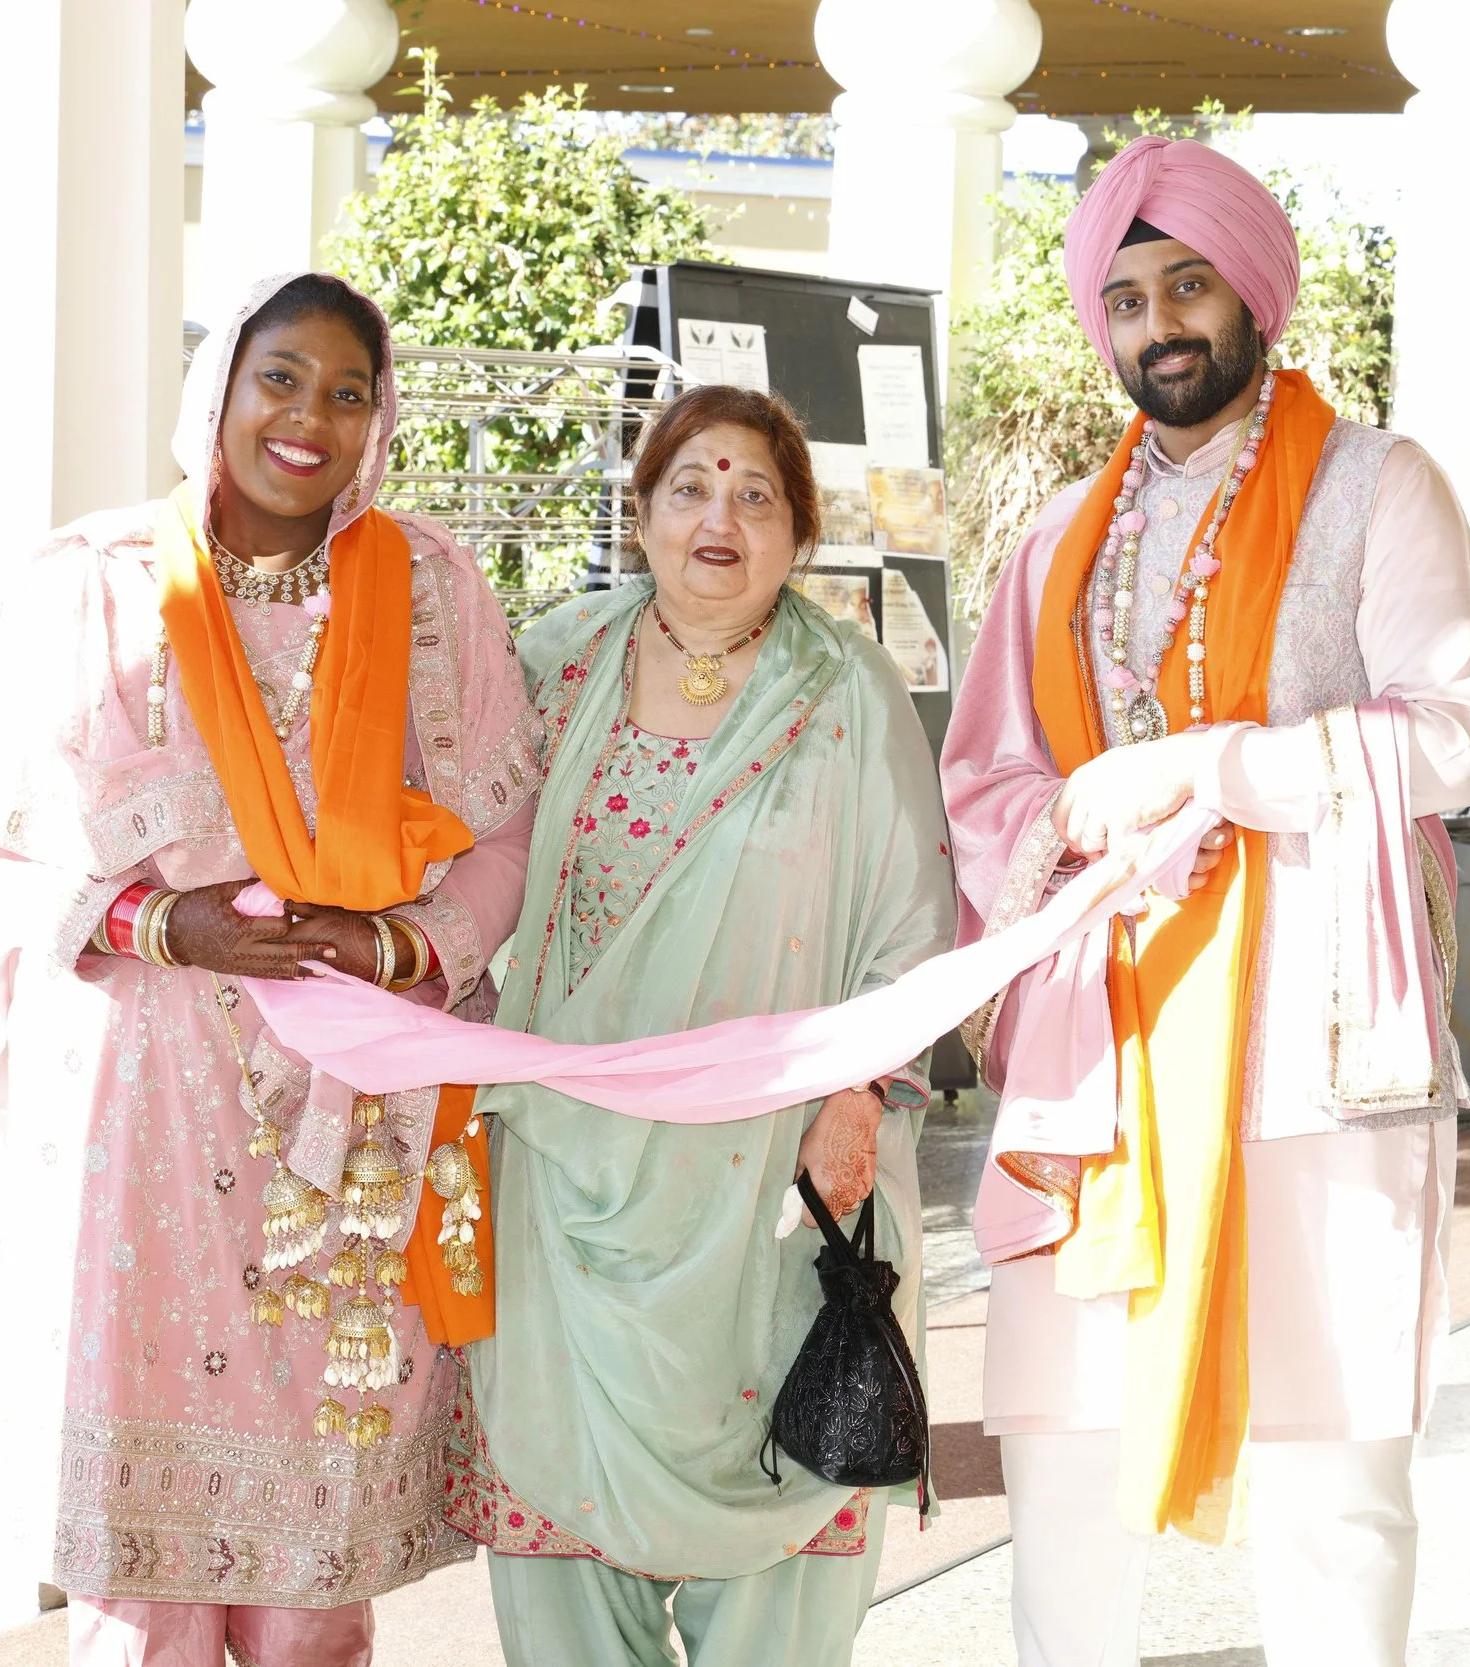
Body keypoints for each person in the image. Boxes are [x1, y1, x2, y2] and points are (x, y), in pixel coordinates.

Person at [940, 137, 1470, 1667]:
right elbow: (986, 777)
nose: (1158, 323)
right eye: (1123, 297)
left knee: (1336, 1455)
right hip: (1099, 1050)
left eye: (1187, 283)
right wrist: (1079, 807)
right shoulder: (1058, 539)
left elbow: (1446, 734)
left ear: (1252, 289)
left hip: (1313, 1034)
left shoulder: (1381, 486)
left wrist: (1211, 767)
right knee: (1061, 1452)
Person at [0, 271, 540, 1667]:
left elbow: (508, 830)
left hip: (345, 1130)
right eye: (281, 378)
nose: (310, 418)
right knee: (135, 1601)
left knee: (310, 1595)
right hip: (134, 1127)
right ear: (220, 388)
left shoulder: (434, 590)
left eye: (348, 391)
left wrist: (406, 940)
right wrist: (161, 921)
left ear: (379, 418)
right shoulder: (88, 587)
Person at [443, 384, 957, 1667]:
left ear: (796, 534)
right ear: (641, 514)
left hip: (779, 1188)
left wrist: (854, 1108)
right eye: (689, 486)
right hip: (567, 1188)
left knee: (776, 1581)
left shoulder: (847, 689)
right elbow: (460, 850)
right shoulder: (555, 661)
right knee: (564, 1596)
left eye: (755, 494)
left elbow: (912, 930)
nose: (718, 517)